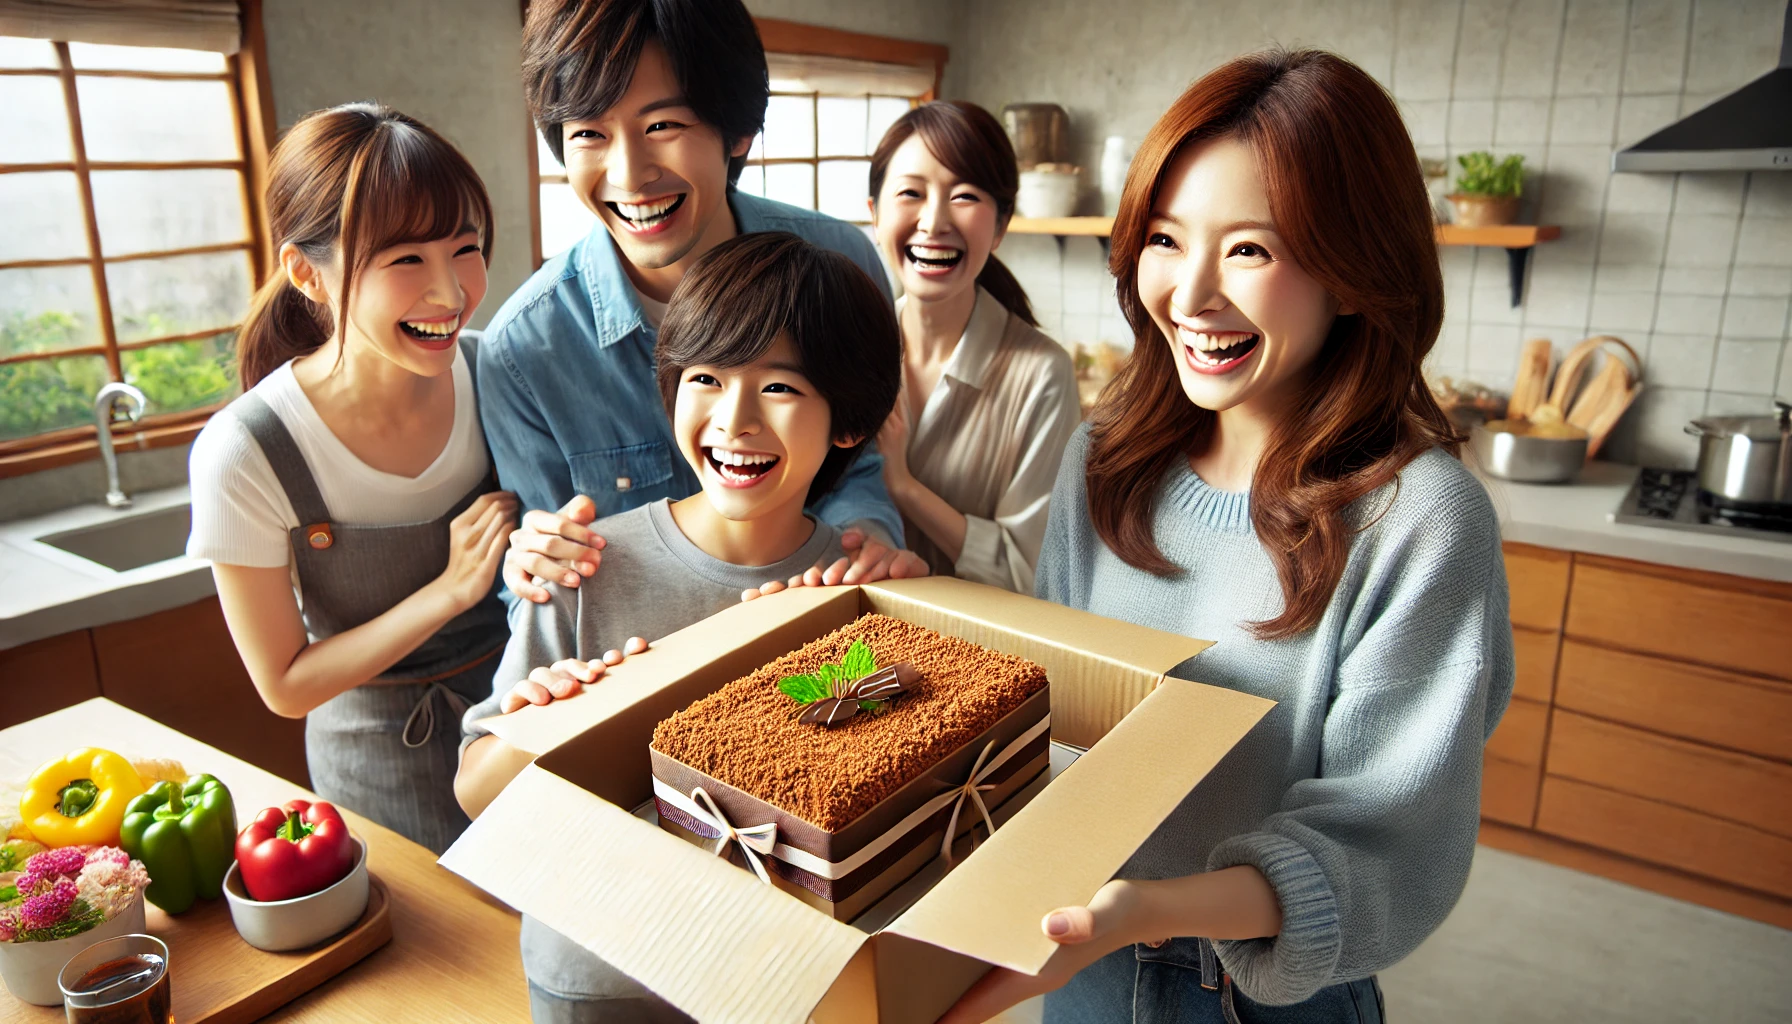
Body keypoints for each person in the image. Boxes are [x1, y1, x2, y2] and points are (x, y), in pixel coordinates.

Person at [942, 50, 1515, 1024]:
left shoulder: (1421, 519)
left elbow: (1386, 838)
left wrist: (1151, 909)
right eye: (1165, 239)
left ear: (1354, 269)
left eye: (1250, 249)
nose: (1191, 295)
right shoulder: (1104, 463)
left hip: (1271, 991)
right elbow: (1059, 716)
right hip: (1077, 958)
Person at [456, 232, 904, 1024]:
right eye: (705, 379)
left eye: (781, 389)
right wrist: (563, 720)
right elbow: (476, 791)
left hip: (782, 980)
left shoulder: (859, 593)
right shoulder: (586, 566)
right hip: (600, 980)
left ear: (848, 421)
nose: (734, 420)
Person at [484, 0, 924, 607]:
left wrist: (863, 542)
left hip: (815, 639)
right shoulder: (525, 347)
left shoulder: (837, 259)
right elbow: (540, 589)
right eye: (589, 132)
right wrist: (533, 571)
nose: (630, 175)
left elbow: (860, 463)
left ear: (738, 129)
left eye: (662, 126)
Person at [186, 103, 516, 855]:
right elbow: (286, 684)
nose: (451, 292)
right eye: (405, 261)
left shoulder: (499, 372)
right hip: (373, 762)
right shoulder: (247, 451)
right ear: (307, 273)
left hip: (517, 720)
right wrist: (450, 591)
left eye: (464, 248)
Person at [866, 102, 1081, 594]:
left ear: (1001, 225)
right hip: (854, 644)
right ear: (875, 215)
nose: (935, 221)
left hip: (979, 653)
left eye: (964, 195)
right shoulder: (850, 348)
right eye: (910, 193)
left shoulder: (1042, 375)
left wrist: (905, 488)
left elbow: (1031, 573)